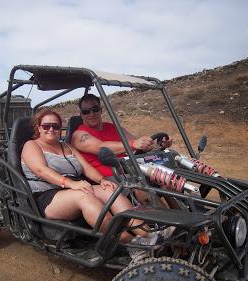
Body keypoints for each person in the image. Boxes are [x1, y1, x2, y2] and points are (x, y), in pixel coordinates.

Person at [21, 109, 166, 248]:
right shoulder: (31, 145)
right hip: (48, 195)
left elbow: (85, 168)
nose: (51, 129)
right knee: (84, 195)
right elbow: (41, 170)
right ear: (38, 128)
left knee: (111, 190)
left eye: (55, 126)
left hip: (73, 189)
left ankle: (148, 235)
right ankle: (130, 243)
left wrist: (102, 180)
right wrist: (70, 183)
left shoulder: (67, 146)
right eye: (46, 125)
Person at [71, 94, 174, 207]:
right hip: (109, 179)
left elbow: (139, 144)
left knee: (168, 179)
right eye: (86, 111)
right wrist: (133, 144)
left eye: (95, 109)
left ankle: (183, 213)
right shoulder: (79, 135)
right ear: (81, 114)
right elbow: (102, 147)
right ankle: (168, 221)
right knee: (140, 188)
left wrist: (159, 144)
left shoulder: (113, 127)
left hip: (131, 170)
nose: (91, 114)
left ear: (100, 110)